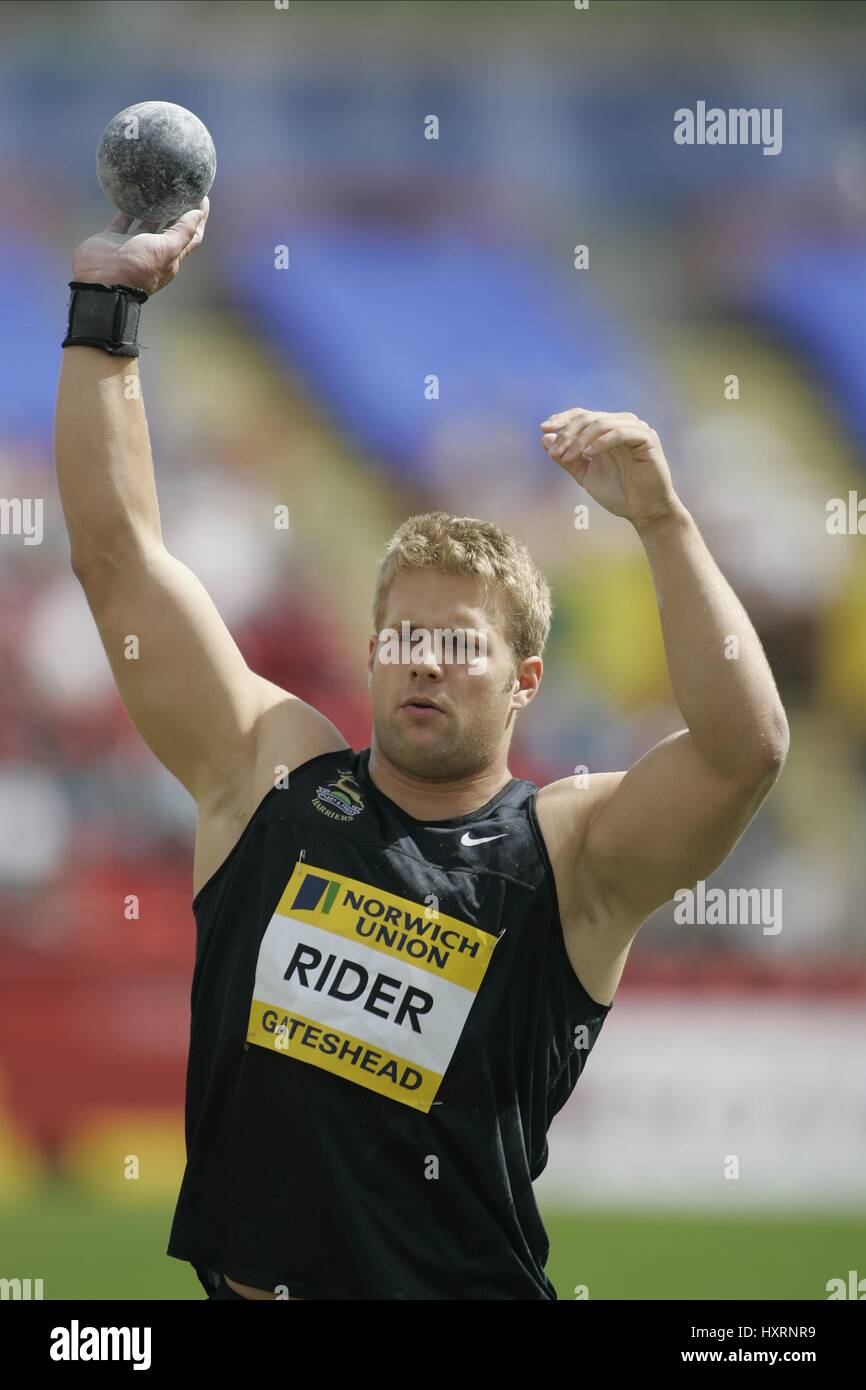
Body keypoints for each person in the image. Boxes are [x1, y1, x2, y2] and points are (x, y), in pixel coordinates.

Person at [54, 199, 789, 1300]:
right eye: (405, 635)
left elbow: (744, 752)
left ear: (525, 682)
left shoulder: (571, 851)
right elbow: (119, 561)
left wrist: (662, 523)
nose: (424, 661)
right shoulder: (270, 771)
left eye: (459, 642)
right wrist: (104, 307)